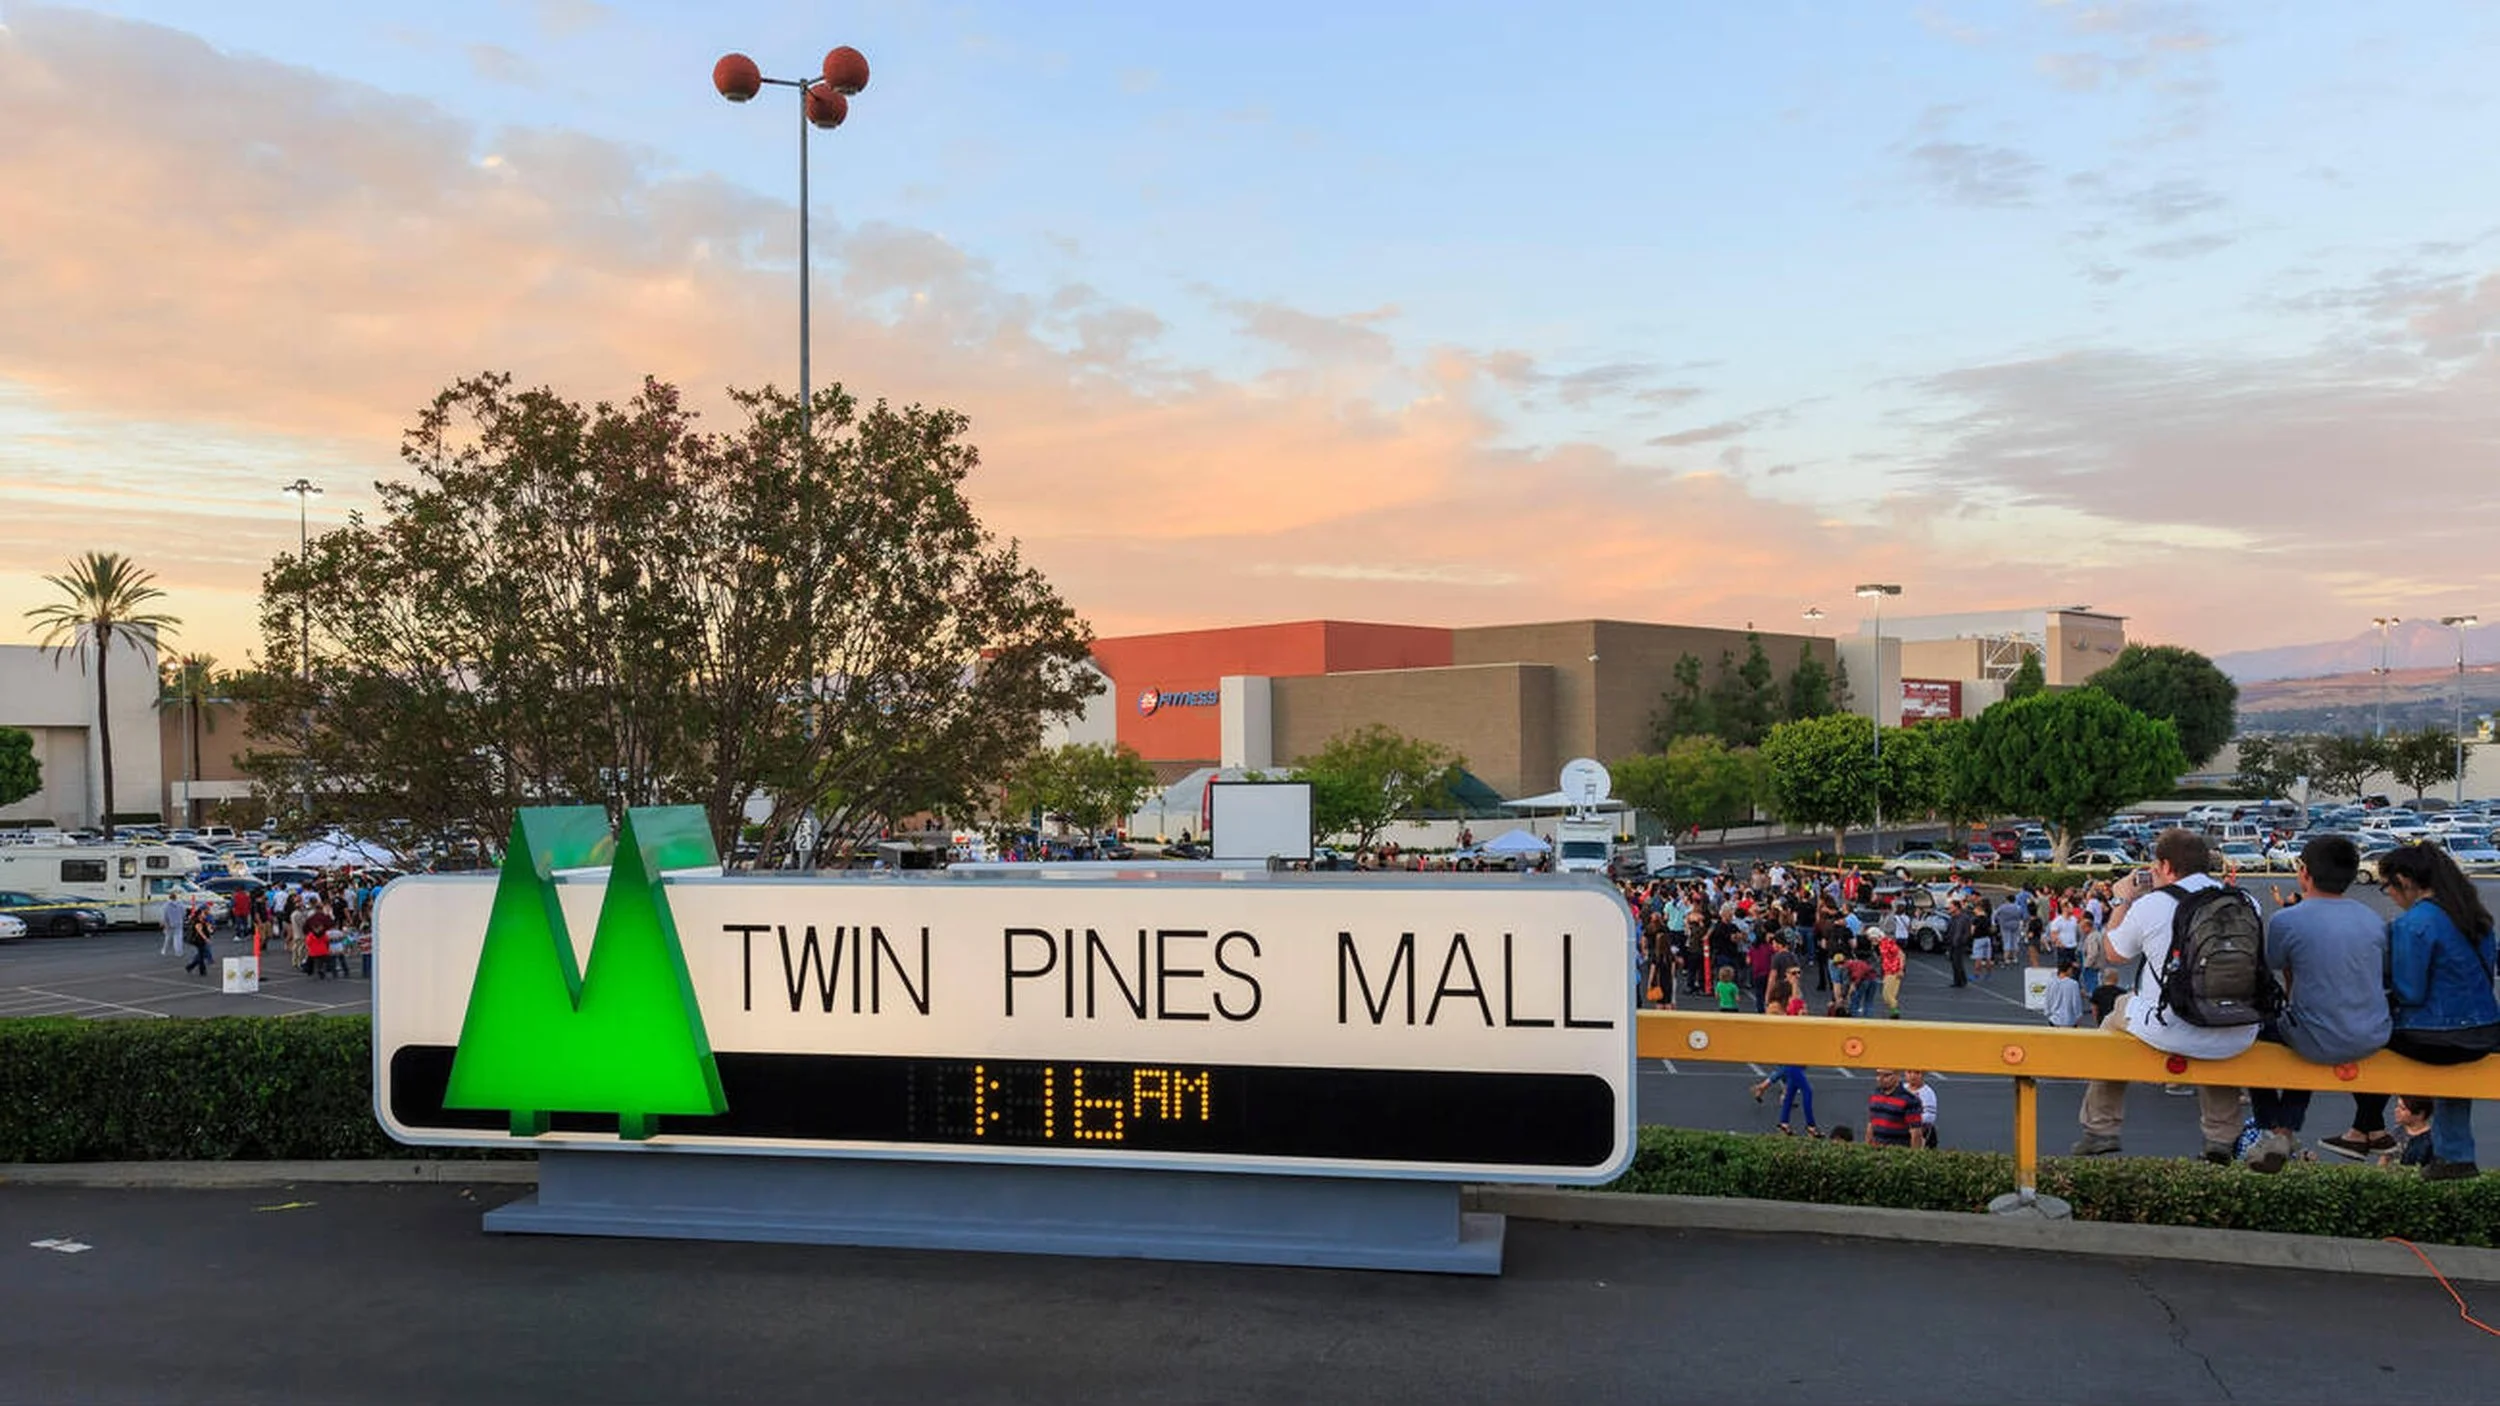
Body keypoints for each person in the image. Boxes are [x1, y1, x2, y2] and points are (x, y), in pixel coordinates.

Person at [2072, 830, 2256, 1163]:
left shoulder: (2152, 904)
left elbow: (2113, 953)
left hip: (2170, 1025)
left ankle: (2101, 1128)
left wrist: (2122, 901)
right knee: (2217, 1032)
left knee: (2117, 1012)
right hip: (2238, 1029)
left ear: (2166, 866)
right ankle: (2222, 1136)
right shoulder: (2245, 901)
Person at [2244, 835, 2390, 1174]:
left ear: (2304, 873)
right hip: (2373, 1035)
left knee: (2260, 1033)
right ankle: (2284, 1132)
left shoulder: (2287, 920)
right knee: (2308, 1029)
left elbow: (2276, 965)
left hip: (2317, 1037)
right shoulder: (2372, 918)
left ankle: (2275, 1128)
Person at [2376, 843, 2500, 1180]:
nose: (2389, 894)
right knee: (2453, 1072)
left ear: (2404, 880)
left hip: (2434, 1035)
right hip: (2484, 1032)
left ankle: (2366, 1128)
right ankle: (2455, 1154)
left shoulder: (2414, 922)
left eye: (2387, 886)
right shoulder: (2475, 919)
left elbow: (2411, 992)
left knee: (2359, 1036)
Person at [1747, 974, 1818, 1136]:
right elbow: (1783, 1027)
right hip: (1783, 1049)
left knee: (1790, 1086)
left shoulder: (1780, 1007)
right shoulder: (1774, 1008)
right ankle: (1811, 1126)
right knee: (1806, 1090)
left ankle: (1783, 1122)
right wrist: (1797, 1016)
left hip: (1789, 1049)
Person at [1865, 1069, 1924, 1148]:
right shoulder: (1874, 1095)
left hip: (1898, 1150)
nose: (1880, 1079)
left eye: (1886, 1076)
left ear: (1897, 1076)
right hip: (1876, 1149)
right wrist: (1867, 1147)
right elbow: (1871, 1124)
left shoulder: (1910, 1100)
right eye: (1878, 1075)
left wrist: (1914, 1154)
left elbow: (1916, 1132)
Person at [2042, 955, 2087, 1028]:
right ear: (2068, 969)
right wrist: (2078, 1015)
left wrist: (2047, 1012)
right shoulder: (2073, 984)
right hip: (2069, 1021)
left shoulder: (2051, 982)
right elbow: (2076, 1002)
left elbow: (2048, 999)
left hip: (2054, 1019)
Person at [1904, 1069, 1940, 1149]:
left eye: (1917, 1073)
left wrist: (1909, 1119)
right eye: (1909, 1072)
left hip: (1922, 1133)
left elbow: (1929, 1117)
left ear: (1923, 1074)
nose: (1913, 1076)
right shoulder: (1901, 1088)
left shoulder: (1928, 1093)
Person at [1944, 898, 1973, 988]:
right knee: (1954, 962)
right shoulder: (1953, 917)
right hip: (1952, 942)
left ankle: (1962, 981)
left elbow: (1967, 931)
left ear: (1956, 907)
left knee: (1958, 962)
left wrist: (1963, 940)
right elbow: (1949, 930)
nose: (1949, 908)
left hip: (1959, 943)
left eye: (1951, 907)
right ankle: (1957, 981)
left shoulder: (1964, 918)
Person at [1876, 931, 1906, 1019]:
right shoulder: (1881, 944)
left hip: (1893, 971)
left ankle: (1895, 1012)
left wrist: (1901, 969)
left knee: (1887, 994)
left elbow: (1901, 955)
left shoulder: (1888, 943)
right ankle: (1894, 1012)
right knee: (1888, 995)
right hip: (1888, 971)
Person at [182, 900, 216, 976]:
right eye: (206, 911)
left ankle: (191, 967)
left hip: (202, 939)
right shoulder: (197, 920)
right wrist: (206, 939)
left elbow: (209, 928)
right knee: (203, 953)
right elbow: (200, 931)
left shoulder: (204, 919)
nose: (208, 912)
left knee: (202, 954)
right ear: (201, 912)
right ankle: (202, 970)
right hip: (198, 940)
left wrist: (211, 930)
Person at [159, 891, 188, 958]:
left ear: (169, 897)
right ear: (176, 897)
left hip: (169, 924)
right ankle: (179, 953)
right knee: (178, 939)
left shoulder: (166, 905)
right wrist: (182, 919)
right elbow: (184, 913)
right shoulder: (180, 904)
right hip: (179, 923)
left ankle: (164, 950)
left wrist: (162, 923)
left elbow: (164, 915)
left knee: (168, 937)